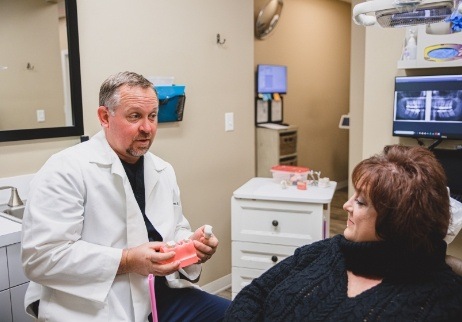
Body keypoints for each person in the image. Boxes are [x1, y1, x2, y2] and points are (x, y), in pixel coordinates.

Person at [21, 71, 231, 322]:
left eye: (152, 116)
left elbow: (174, 230)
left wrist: (191, 245)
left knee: (242, 313)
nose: (147, 128)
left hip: (161, 296)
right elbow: (41, 258)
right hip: (96, 307)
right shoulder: (65, 170)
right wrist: (127, 260)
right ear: (104, 117)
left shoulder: (162, 170)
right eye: (135, 116)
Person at [224, 145, 462, 321]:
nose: (346, 205)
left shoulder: (439, 301)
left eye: (360, 202)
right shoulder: (328, 250)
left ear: (398, 220)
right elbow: (256, 292)